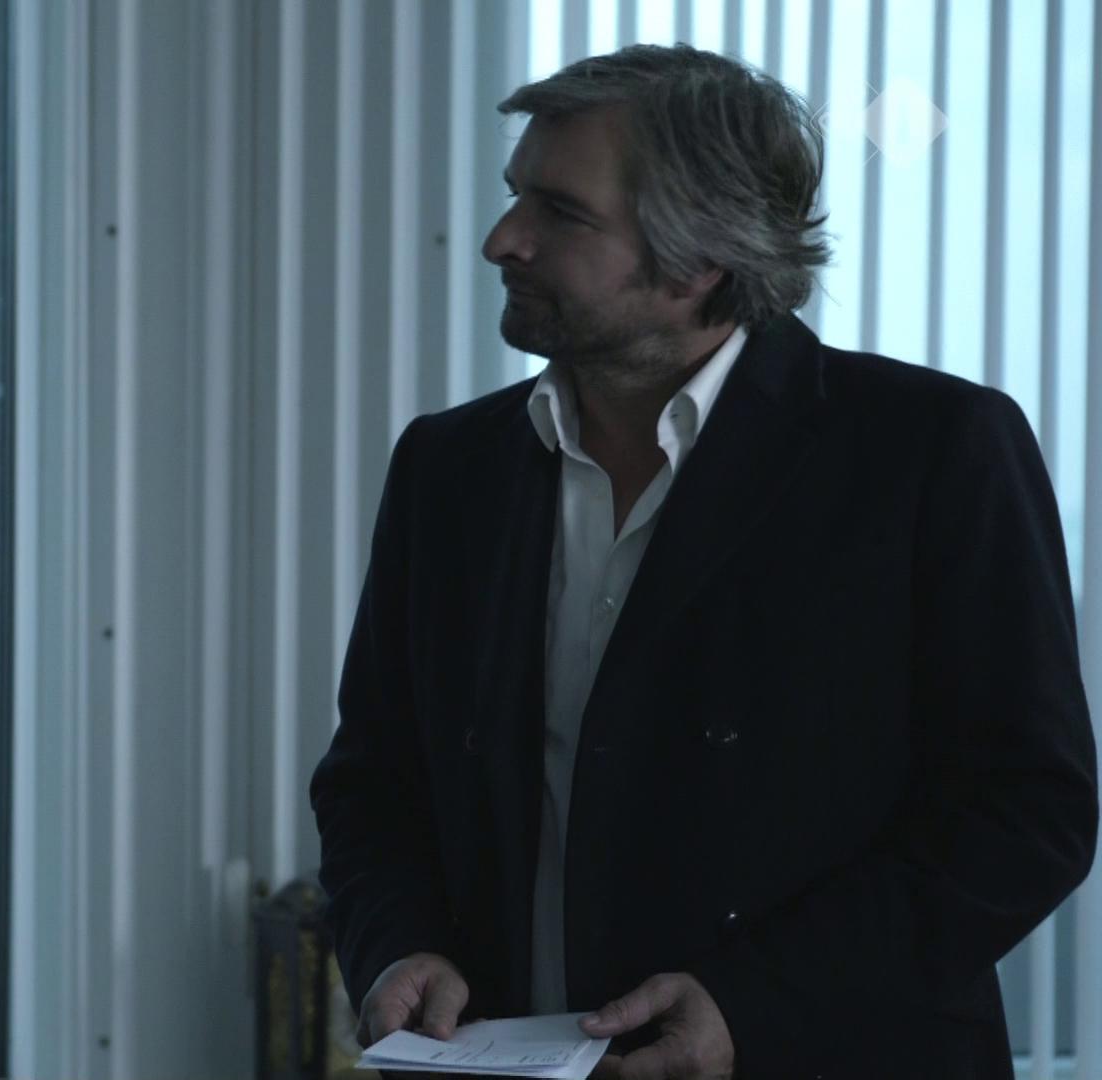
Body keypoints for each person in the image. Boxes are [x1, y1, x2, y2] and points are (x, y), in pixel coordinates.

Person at [311, 43, 1097, 1080]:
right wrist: (395, 945)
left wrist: (754, 1006)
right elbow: (374, 781)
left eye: (561, 213)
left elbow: (1025, 811)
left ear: (700, 262)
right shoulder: (448, 468)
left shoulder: (932, 451)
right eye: (514, 197)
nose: (504, 240)